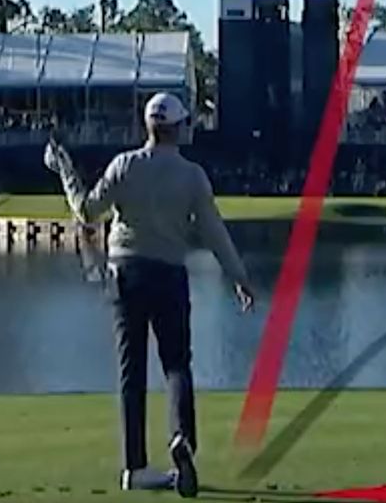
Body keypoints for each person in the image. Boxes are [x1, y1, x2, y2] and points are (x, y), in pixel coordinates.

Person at [45, 92, 256, 498]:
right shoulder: (192, 175)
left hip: (125, 271)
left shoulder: (124, 165)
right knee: (177, 363)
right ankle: (181, 438)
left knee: (132, 370)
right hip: (169, 273)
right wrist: (238, 276)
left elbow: (87, 211)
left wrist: (65, 173)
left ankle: (135, 467)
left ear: (147, 126)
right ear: (178, 128)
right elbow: (213, 230)